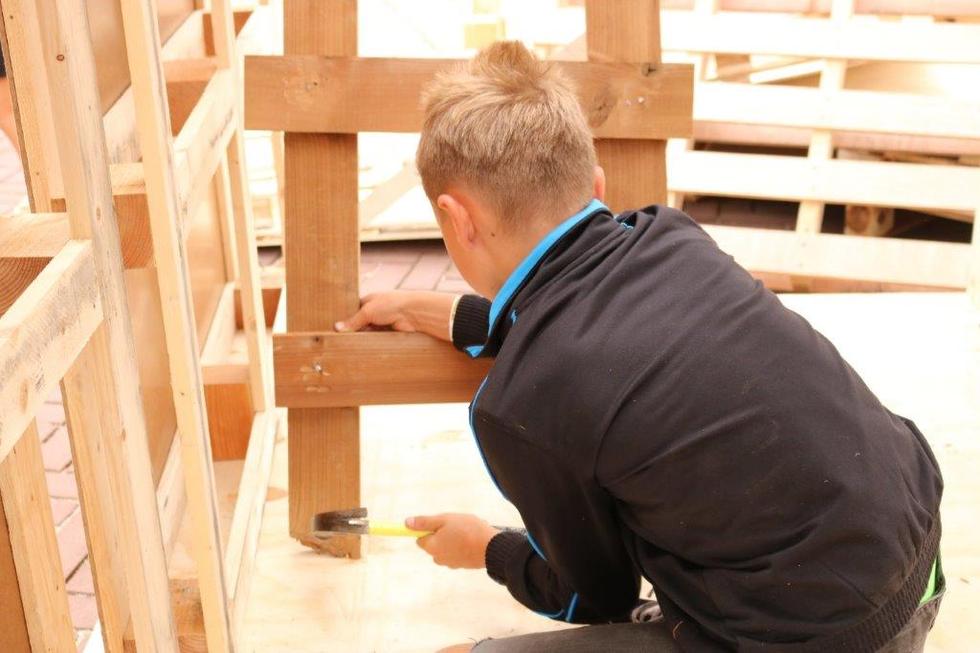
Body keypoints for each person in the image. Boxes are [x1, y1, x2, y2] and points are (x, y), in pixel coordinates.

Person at [336, 41, 944, 652]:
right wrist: (432, 313)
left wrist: (489, 549)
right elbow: (583, 320)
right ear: (595, 185)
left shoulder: (517, 407)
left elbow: (594, 598)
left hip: (822, 639)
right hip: (916, 561)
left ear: (457, 218)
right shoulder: (670, 237)